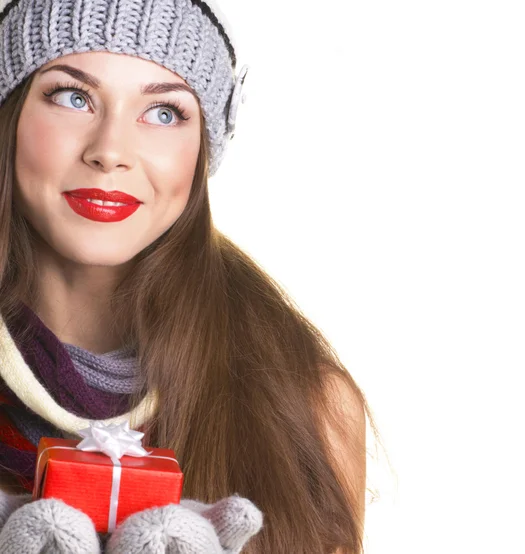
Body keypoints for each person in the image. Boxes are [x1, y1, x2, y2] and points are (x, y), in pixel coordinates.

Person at [0, 0, 374, 552]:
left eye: (164, 112)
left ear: (202, 151)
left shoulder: (310, 402)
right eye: (73, 97)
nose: (110, 151)